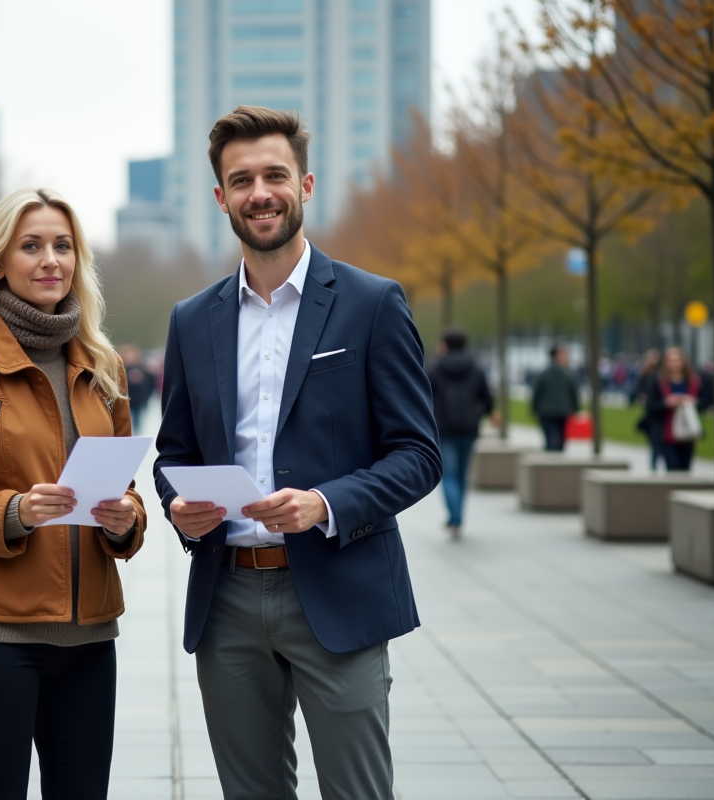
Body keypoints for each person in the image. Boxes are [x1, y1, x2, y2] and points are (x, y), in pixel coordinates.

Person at [153, 106, 442, 800]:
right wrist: (177, 506)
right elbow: (173, 450)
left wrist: (324, 504)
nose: (261, 193)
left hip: (339, 591)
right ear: (221, 197)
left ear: (305, 185)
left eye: (275, 175)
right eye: (242, 179)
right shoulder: (193, 320)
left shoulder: (373, 304)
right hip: (227, 597)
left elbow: (418, 452)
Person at [0, 188, 147, 800]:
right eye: (31, 245)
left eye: (63, 246)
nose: (51, 260)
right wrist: (15, 512)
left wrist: (126, 520)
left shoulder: (104, 367)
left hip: (91, 637)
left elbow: (127, 492)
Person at [426, 327, 495, 540]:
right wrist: (481, 414)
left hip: (444, 429)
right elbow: (487, 399)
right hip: (469, 429)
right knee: (463, 474)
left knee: (448, 474)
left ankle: (454, 518)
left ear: (445, 344)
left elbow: (425, 397)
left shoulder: (435, 369)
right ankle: (458, 516)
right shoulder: (476, 369)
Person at [646, 346, 710, 472]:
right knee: (673, 468)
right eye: (671, 360)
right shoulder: (658, 381)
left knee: (686, 468)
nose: (674, 363)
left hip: (688, 431)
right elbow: (650, 405)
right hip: (667, 432)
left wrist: (693, 401)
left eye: (677, 360)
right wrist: (666, 403)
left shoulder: (694, 381)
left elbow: (707, 401)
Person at [531, 343, 579, 452]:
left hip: (546, 411)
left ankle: (551, 457)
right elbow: (573, 393)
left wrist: (534, 410)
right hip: (562, 411)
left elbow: (536, 393)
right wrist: (575, 410)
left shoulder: (543, 374)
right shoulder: (568, 374)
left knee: (549, 439)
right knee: (560, 440)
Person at [631, 348, 663, 471]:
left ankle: (656, 461)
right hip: (651, 411)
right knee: (654, 441)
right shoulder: (645, 374)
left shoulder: (660, 374)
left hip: (658, 410)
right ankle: (654, 464)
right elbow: (638, 389)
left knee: (658, 441)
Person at [118, 344, 155, 433]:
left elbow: (149, 385)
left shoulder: (143, 369)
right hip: (124, 400)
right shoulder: (120, 369)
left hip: (137, 401)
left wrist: (145, 400)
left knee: (137, 424)